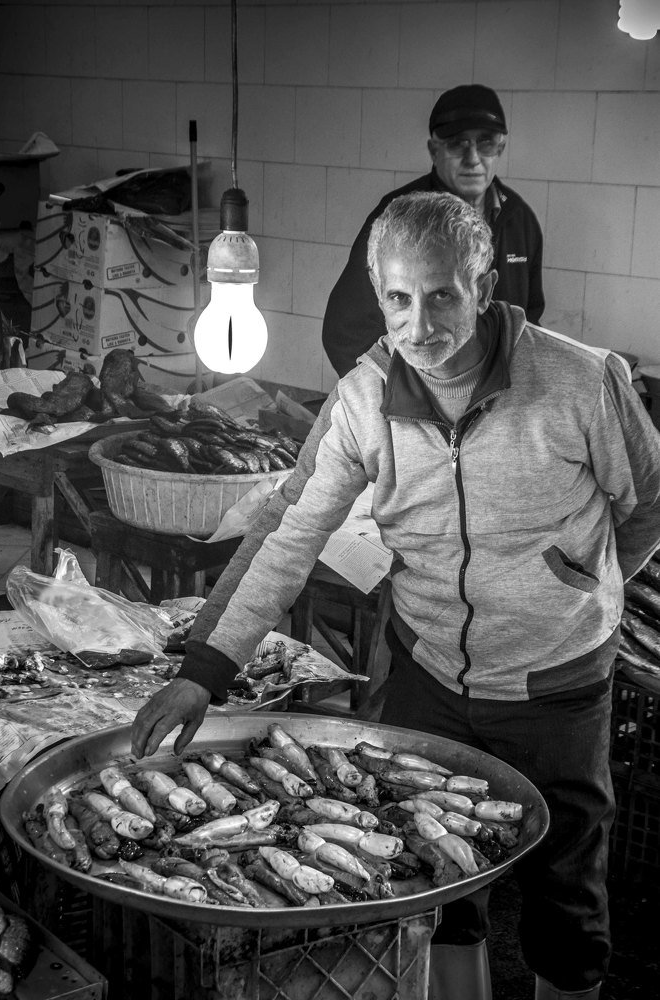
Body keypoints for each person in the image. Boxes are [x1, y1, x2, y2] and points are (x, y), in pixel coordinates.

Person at [131, 191, 660, 1000]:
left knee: (566, 896)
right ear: (378, 296)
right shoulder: (362, 398)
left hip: (556, 683)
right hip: (427, 675)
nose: (420, 324)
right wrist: (204, 670)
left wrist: (581, 582)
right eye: (399, 299)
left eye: (443, 295)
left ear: (484, 287)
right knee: (428, 881)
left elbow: (649, 500)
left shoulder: (578, 381)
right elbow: (290, 534)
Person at [322, 83, 545, 377]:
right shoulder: (398, 220)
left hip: (500, 394)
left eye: (486, 142)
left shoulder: (519, 218)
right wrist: (395, 395)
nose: (473, 158)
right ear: (434, 150)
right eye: (457, 143)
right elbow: (346, 332)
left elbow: (529, 321)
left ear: (500, 148)